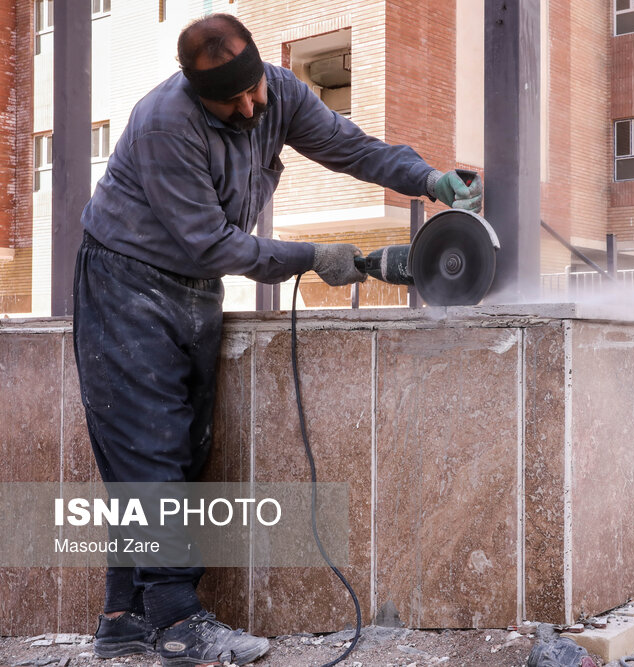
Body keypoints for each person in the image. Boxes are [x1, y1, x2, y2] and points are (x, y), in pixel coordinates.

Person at [72, 13, 482, 667]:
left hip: (191, 288)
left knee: (177, 448)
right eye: (229, 101)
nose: (249, 106)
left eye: (253, 88)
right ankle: (178, 624)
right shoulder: (163, 124)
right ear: (197, 92)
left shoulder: (279, 91)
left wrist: (426, 180)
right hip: (125, 283)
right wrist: (321, 255)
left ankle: (124, 620)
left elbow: (351, 147)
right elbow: (213, 241)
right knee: (146, 448)